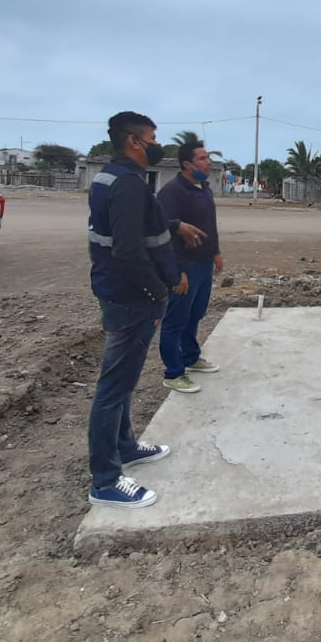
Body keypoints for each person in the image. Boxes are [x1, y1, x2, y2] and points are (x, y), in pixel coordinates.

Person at [86, 111, 207, 508]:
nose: (157, 145)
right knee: (113, 388)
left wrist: (173, 226)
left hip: (119, 290)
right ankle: (105, 480)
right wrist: (158, 291)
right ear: (134, 142)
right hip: (131, 297)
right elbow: (128, 249)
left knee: (121, 383)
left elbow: (134, 228)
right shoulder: (127, 184)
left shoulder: (113, 178)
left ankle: (125, 446)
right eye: (153, 139)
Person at [156, 142, 224, 393]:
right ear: (187, 164)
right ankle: (173, 373)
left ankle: (191, 357)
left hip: (204, 264)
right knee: (175, 320)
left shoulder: (204, 188)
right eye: (203, 159)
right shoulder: (172, 192)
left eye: (208, 157)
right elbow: (164, 234)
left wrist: (215, 252)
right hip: (184, 266)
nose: (208, 163)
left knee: (195, 315)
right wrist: (176, 272)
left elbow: (210, 224)